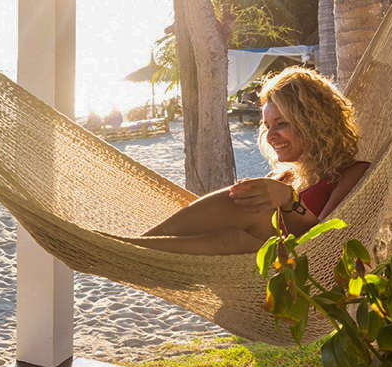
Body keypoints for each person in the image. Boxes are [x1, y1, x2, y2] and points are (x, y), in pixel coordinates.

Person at [101, 66, 369, 255]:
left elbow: (326, 246)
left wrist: (290, 201)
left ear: (313, 123)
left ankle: (126, 249)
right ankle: (130, 252)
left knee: (246, 202)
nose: (271, 135)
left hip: (305, 279)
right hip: (258, 268)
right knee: (229, 238)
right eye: (266, 125)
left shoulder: (353, 174)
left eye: (282, 124)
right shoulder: (284, 179)